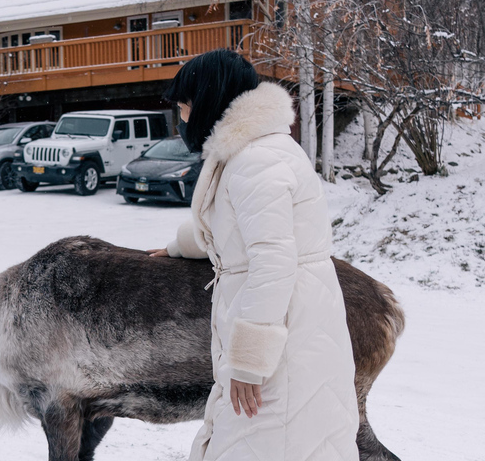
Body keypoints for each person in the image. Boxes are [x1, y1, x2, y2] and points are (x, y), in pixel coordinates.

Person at [149, 49, 359, 461]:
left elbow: (272, 260)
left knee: (264, 437)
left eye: (184, 105)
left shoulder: (256, 160)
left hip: (285, 332)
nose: (182, 116)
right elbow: (243, 231)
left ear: (209, 99)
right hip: (300, 318)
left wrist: (249, 362)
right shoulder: (256, 150)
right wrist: (180, 246)